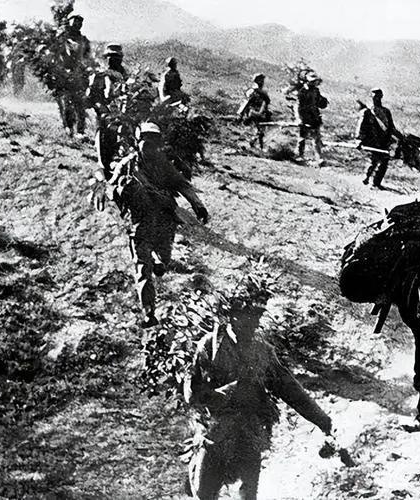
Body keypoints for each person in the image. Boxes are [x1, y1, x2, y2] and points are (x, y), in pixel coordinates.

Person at [184, 284, 334, 499]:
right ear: (232, 317)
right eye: (247, 317)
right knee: (204, 493)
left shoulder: (262, 352)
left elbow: (289, 388)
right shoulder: (210, 347)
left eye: (256, 317)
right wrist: (227, 392)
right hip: (215, 434)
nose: (253, 323)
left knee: (248, 495)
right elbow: (192, 394)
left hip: (249, 432)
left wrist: (320, 419)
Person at [90, 122, 209, 328]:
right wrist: (111, 189)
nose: (150, 146)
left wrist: (198, 206)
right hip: (140, 221)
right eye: (146, 141)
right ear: (138, 142)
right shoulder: (128, 164)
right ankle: (149, 312)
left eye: (154, 142)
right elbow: (111, 186)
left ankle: (158, 262)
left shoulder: (163, 164)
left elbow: (182, 184)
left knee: (163, 262)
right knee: (142, 267)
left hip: (164, 220)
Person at [356, 88, 402, 188]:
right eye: (374, 97)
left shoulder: (386, 112)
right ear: (371, 97)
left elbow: (391, 127)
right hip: (372, 140)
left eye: (378, 96)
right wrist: (359, 140)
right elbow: (361, 126)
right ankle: (365, 179)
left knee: (384, 162)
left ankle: (376, 183)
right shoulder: (367, 112)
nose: (376, 99)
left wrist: (400, 137)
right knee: (372, 161)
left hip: (384, 140)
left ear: (381, 97)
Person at [295, 72, 327, 164]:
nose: (313, 83)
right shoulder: (302, 91)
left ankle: (318, 158)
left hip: (314, 116)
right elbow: (297, 106)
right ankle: (299, 155)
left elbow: (319, 102)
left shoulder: (315, 91)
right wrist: (299, 118)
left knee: (316, 139)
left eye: (314, 81)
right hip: (305, 117)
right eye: (312, 81)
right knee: (302, 137)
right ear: (306, 81)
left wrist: (323, 102)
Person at [237, 73, 271, 150]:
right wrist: (241, 114)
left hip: (259, 113)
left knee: (260, 131)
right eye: (261, 81)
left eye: (262, 81)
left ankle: (257, 145)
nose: (262, 82)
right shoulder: (254, 92)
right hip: (253, 113)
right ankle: (253, 144)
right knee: (257, 130)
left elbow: (265, 104)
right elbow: (247, 103)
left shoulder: (262, 93)